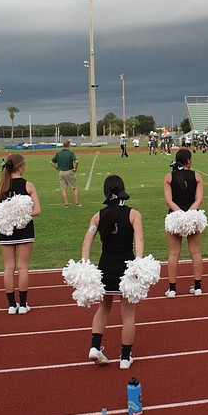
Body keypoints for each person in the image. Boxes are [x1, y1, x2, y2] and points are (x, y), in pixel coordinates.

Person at [81, 175, 144, 369]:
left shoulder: (98, 216)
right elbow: (139, 241)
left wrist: (85, 267)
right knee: (128, 314)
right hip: (126, 266)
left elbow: (86, 243)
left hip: (105, 266)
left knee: (103, 308)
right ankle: (125, 358)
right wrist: (138, 265)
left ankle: (94, 347)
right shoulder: (134, 214)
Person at [0, 154, 41, 314]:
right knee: (23, 267)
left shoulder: (0, 187)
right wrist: (20, 215)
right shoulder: (28, 185)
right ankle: (23, 305)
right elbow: (37, 211)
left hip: (6, 231)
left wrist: (9, 216)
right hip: (25, 230)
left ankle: (12, 305)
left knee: (8, 268)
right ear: (20, 167)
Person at [163, 149, 204, 297]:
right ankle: (198, 287)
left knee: (174, 253)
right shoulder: (197, 176)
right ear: (188, 161)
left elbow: (169, 200)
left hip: (174, 217)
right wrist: (189, 214)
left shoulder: (169, 177)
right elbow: (199, 200)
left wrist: (179, 214)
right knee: (196, 251)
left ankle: (172, 289)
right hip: (193, 218)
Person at [50, 140, 81, 207]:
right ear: (69, 145)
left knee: (63, 188)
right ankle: (76, 203)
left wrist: (57, 168)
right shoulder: (70, 153)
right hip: (69, 171)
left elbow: (51, 162)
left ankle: (66, 204)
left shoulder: (59, 153)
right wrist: (75, 168)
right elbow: (76, 161)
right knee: (74, 187)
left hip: (61, 172)